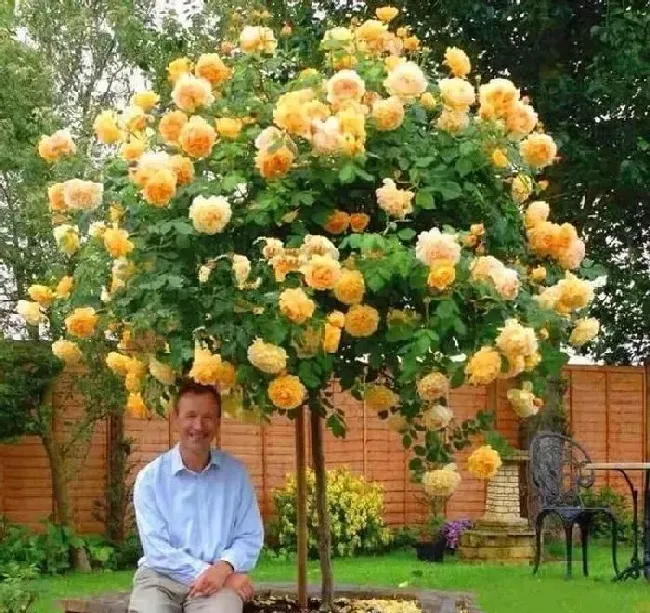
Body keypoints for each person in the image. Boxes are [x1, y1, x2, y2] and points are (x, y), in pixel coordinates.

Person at [128, 380, 264, 613]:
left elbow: (250, 535)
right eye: (190, 415)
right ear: (176, 418)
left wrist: (224, 568)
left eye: (208, 417)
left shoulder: (236, 474)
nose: (199, 426)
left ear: (218, 423)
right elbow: (157, 550)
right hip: (160, 579)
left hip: (217, 583)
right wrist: (214, 574)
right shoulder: (151, 478)